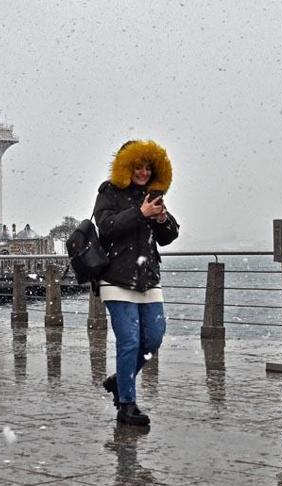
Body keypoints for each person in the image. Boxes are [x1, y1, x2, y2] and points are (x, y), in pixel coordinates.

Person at [94, 139, 179, 426]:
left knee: (153, 338)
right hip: (116, 278)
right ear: (125, 167)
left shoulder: (152, 194)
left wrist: (162, 218)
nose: (143, 172)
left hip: (148, 278)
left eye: (147, 167)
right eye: (137, 167)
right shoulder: (109, 192)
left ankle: (121, 380)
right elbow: (105, 229)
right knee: (129, 341)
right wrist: (139, 214)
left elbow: (169, 236)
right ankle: (127, 405)